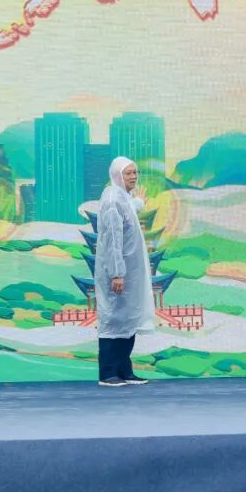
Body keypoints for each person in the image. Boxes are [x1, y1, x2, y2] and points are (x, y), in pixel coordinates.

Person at [94, 157, 155, 387]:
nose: (133, 177)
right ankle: (108, 373)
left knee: (127, 319)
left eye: (135, 172)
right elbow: (113, 239)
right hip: (118, 273)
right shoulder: (112, 200)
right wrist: (117, 273)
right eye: (128, 173)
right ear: (117, 175)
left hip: (130, 273)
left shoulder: (122, 197)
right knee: (112, 320)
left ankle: (124, 370)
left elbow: (127, 214)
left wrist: (138, 203)